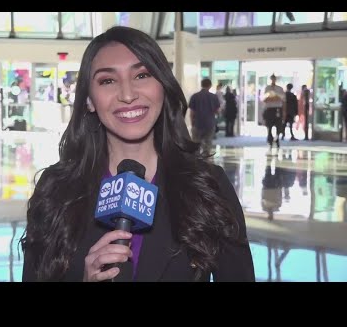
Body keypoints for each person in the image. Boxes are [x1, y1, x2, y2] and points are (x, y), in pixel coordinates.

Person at [20, 26, 254, 282]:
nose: (128, 95)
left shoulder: (208, 185)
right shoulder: (56, 190)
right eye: (108, 81)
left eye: (142, 75)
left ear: (163, 87)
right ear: (89, 99)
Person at [189, 78, 220, 156]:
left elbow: (192, 112)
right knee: (208, 141)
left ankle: (196, 159)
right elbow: (217, 111)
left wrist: (192, 123)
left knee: (196, 142)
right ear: (210, 85)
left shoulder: (195, 96)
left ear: (201, 85)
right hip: (210, 123)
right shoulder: (214, 97)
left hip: (198, 123)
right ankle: (206, 158)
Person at [262, 74, 285, 150]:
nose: (273, 80)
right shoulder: (267, 88)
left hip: (277, 109)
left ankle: (277, 138)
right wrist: (272, 98)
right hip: (269, 109)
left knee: (278, 125)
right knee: (269, 125)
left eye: (274, 79)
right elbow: (265, 99)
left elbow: (282, 99)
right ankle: (270, 139)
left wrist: (275, 98)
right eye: (272, 79)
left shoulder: (279, 89)